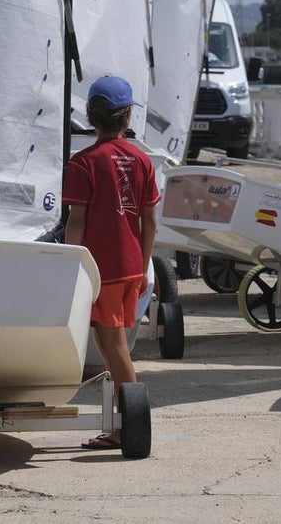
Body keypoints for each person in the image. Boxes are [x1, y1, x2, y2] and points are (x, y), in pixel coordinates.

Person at [62, 75, 159, 450]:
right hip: (132, 264)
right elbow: (149, 222)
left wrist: (73, 266)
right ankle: (124, 421)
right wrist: (144, 265)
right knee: (112, 345)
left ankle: (130, 426)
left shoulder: (84, 162)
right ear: (128, 116)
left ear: (91, 116)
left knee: (113, 347)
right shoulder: (142, 160)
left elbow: (77, 222)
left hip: (100, 268)